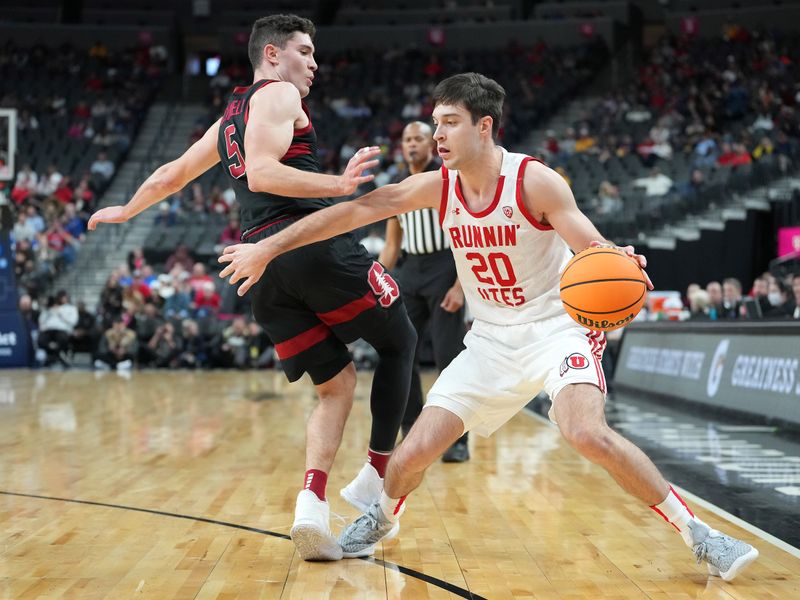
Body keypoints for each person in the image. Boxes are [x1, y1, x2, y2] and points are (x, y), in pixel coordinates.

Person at [218, 73, 759, 580]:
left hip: (555, 330)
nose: (438, 134)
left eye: (450, 121)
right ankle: (383, 517)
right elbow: (357, 211)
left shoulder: (535, 182)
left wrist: (624, 265)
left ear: (484, 126)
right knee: (409, 457)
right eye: (435, 122)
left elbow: (595, 249)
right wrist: (268, 245)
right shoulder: (438, 185)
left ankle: (702, 534)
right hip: (490, 341)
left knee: (584, 431)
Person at [87, 14, 417, 561]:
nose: (314, 63)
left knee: (336, 387)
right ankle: (375, 478)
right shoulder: (281, 95)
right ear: (271, 55)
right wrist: (338, 184)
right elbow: (263, 173)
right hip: (308, 246)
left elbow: (172, 174)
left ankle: (311, 504)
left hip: (260, 268)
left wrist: (127, 209)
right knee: (401, 340)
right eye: (305, 52)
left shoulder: (230, 117)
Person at [378, 121, 469, 462]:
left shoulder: (447, 181)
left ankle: (457, 439)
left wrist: (461, 286)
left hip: (446, 267)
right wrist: (376, 279)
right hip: (411, 270)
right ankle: (414, 433)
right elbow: (391, 244)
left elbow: (464, 236)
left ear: (431, 146)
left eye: (418, 138)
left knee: (449, 357)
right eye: (407, 139)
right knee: (400, 353)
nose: (412, 144)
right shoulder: (399, 187)